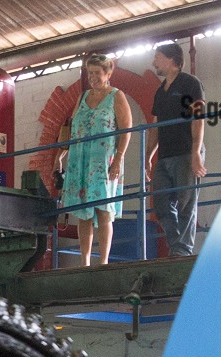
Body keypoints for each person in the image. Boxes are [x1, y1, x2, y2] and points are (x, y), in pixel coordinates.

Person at [56, 53, 132, 266]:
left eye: (97, 73)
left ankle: (104, 261)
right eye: (89, 73)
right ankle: (85, 261)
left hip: (103, 161)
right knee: (83, 211)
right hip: (80, 160)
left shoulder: (116, 96)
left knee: (104, 208)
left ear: (108, 73)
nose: (93, 77)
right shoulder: (82, 97)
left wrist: (118, 159)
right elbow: (70, 128)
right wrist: (60, 155)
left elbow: (126, 131)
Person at [148, 42, 206, 256]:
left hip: (185, 152)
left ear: (172, 60)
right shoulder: (159, 92)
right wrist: (148, 155)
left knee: (186, 203)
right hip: (164, 155)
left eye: (157, 56)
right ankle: (178, 246)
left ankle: (182, 250)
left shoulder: (191, 83)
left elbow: (198, 117)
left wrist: (196, 153)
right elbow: (155, 125)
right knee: (161, 203)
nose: (154, 62)